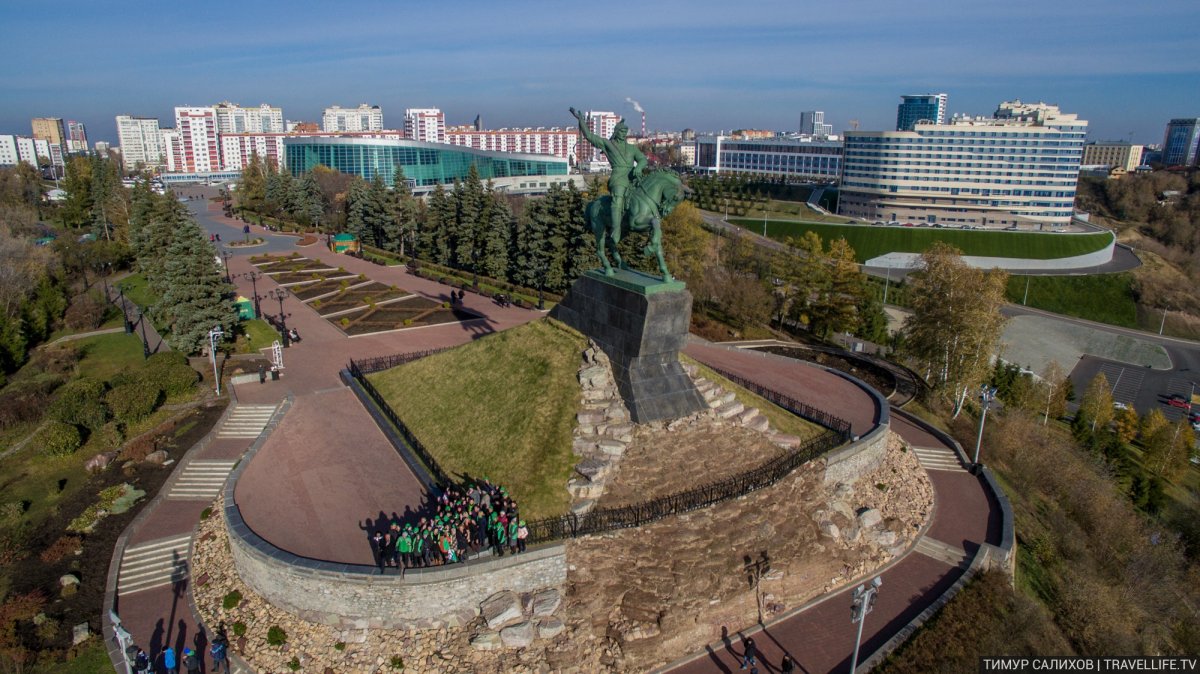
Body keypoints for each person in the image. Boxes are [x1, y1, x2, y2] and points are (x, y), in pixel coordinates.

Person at [571, 106, 648, 238]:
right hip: (619, 177)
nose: (624, 133)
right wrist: (581, 121)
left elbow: (643, 159)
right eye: (621, 131)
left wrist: (639, 167)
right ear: (616, 131)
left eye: (625, 131)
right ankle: (616, 230)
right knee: (617, 198)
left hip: (633, 176)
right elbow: (589, 136)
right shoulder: (608, 144)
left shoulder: (632, 148)